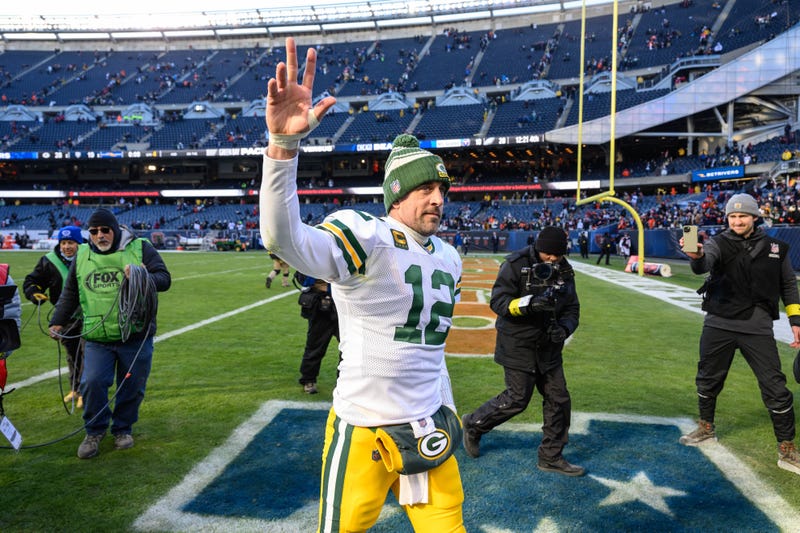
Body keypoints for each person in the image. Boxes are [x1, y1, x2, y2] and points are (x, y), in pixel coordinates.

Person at [259, 37, 465, 532]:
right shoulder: (368, 235)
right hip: (365, 428)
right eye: (424, 188)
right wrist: (283, 148)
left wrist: (448, 409)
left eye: (441, 189)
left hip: (429, 426)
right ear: (396, 195)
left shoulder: (451, 257)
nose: (437, 199)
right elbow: (282, 238)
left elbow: (430, 350)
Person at [680, 193, 800, 475]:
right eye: (732, 216)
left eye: (742, 216)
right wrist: (696, 256)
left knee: (776, 388)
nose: (737, 220)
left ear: (754, 217)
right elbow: (704, 263)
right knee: (708, 379)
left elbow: (788, 286)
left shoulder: (777, 248)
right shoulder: (717, 242)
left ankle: (787, 449)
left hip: (757, 326)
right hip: (718, 322)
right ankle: (706, 428)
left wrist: (796, 319)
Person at [49, 208, 171, 459]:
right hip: (97, 336)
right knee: (92, 382)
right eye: (94, 232)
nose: (100, 235)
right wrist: (58, 321)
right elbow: (70, 292)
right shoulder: (82, 254)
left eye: (105, 230)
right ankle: (94, 431)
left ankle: (123, 429)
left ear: (115, 230)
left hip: (135, 335)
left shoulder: (141, 247)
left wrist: (141, 273)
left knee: (132, 387)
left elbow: (164, 279)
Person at [462, 226, 584, 476]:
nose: (551, 259)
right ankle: (473, 424)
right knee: (517, 399)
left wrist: (565, 328)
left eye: (557, 255)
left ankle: (551, 456)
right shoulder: (515, 264)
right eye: (547, 254)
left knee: (559, 399)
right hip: (518, 344)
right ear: (538, 248)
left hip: (549, 347)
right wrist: (528, 304)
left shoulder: (565, 269)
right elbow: (498, 302)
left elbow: (572, 308)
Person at [23, 225, 85, 408]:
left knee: (88, 354)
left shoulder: (89, 256)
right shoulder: (48, 261)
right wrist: (34, 293)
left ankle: (84, 391)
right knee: (72, 354)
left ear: (79, 243)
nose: (67, 247)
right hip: (65, 318)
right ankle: (74, 388)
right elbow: (32, 281)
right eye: (64, 242)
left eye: (71, 242)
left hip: (90, 315)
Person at [295, 271, 339, 394]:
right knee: (315, 346)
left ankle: (343, 381)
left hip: (343, 305)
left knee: (348, 348)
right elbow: (301, 277)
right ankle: (309, 379)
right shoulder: (313, 256)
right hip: (320, 306)